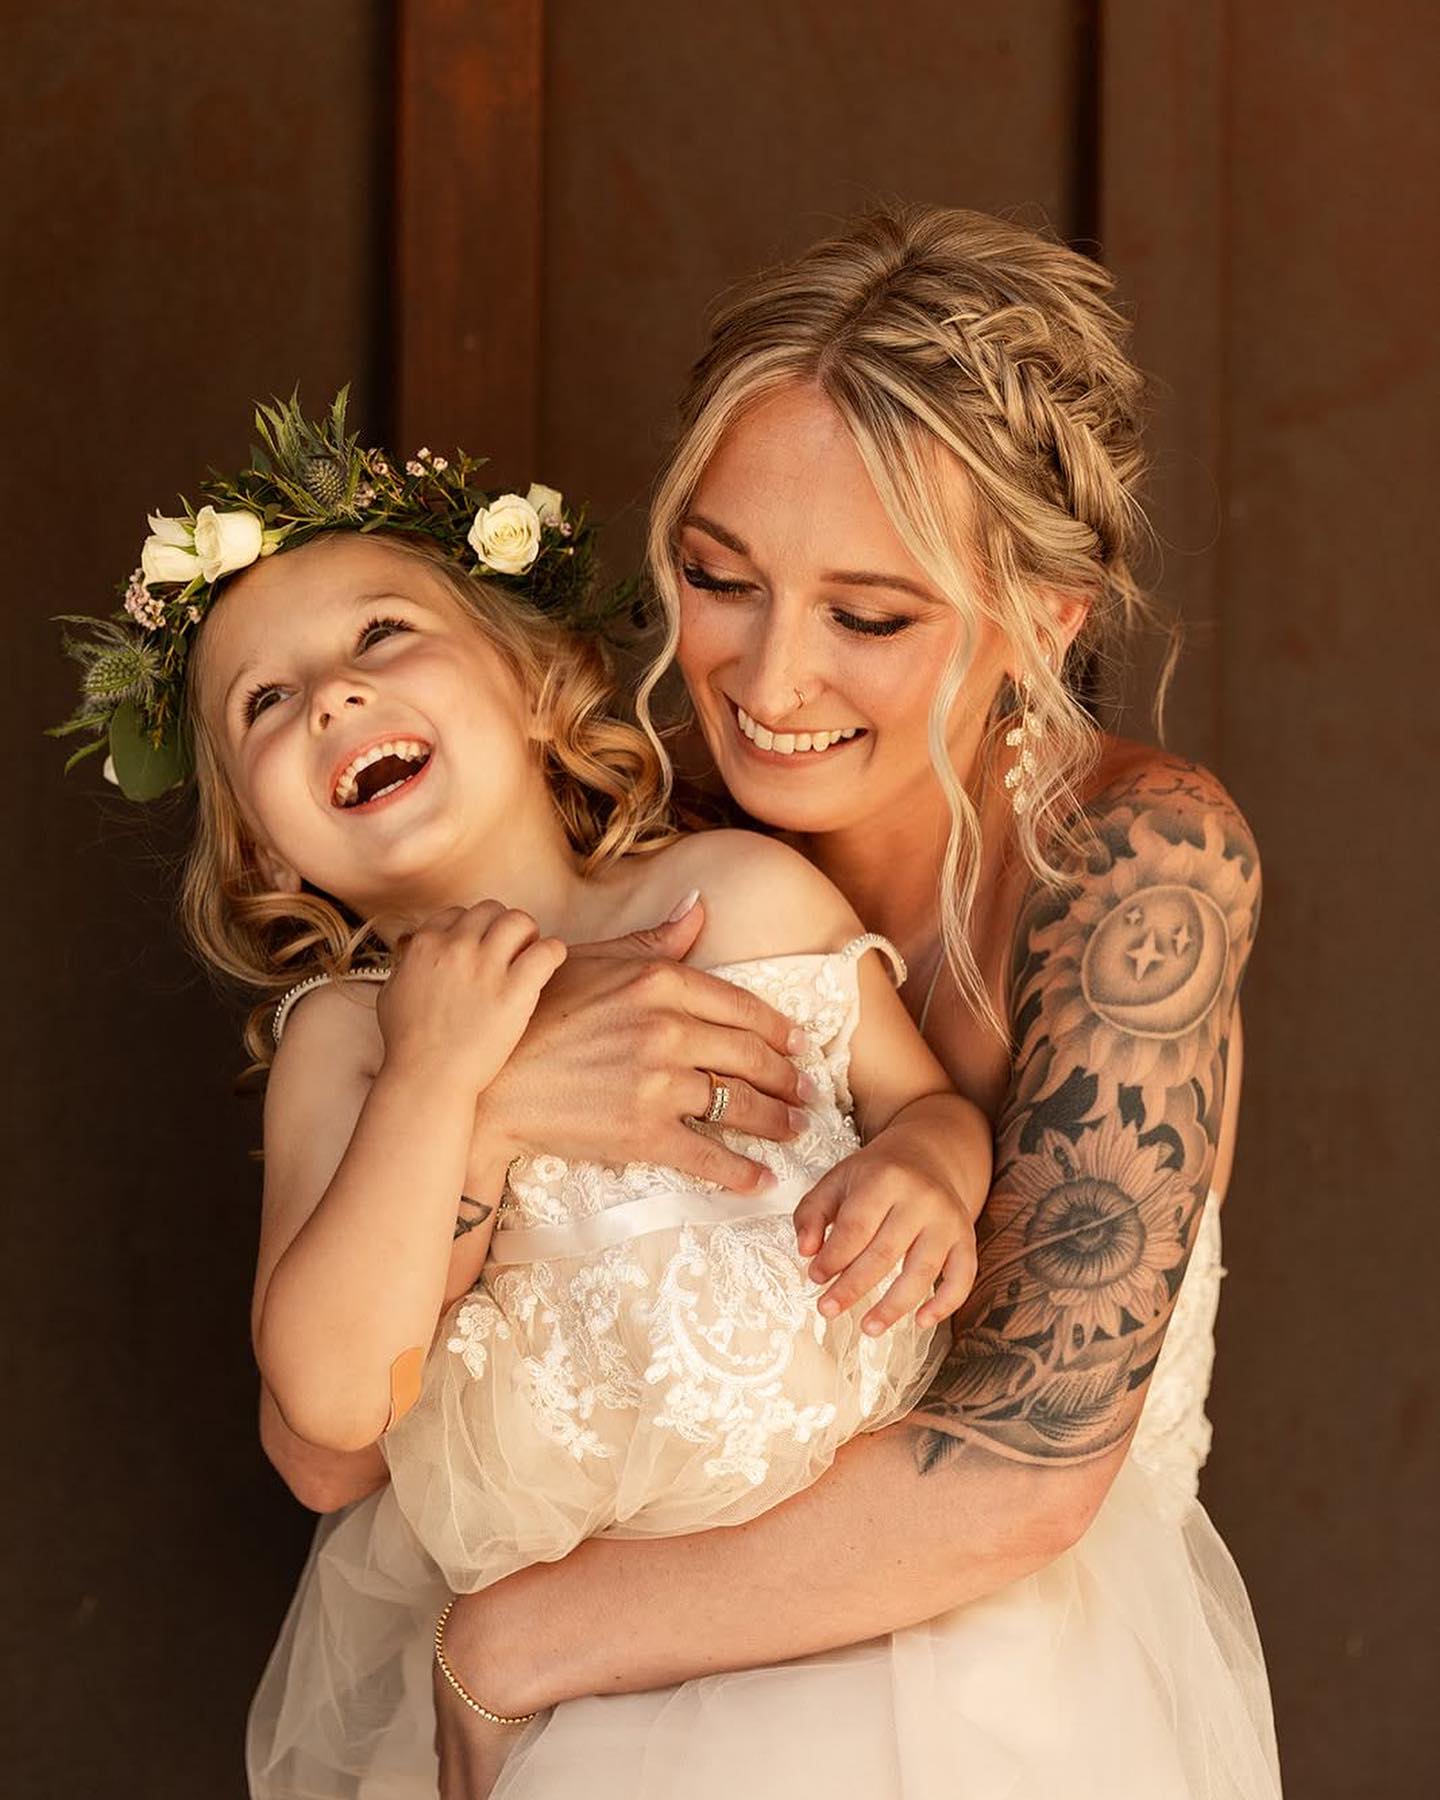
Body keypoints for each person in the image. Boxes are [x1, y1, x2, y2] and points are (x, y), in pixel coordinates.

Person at [409, 206, 1282, 1798]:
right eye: (717, 576)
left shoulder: (1136, 870)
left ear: (1049, 618)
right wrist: (486, 1106)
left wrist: (517, 1646)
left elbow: (1018, 1472)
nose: (767, 679)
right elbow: (354, 1381)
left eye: (869, 617)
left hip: (1004, 1707)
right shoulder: (628, 844)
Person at [52, 394, 994, 1797]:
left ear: (532, 680)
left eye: (380, 634)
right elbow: (325, 1404)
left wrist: (930, 1173)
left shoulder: (730, 898)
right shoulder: (352, 1047)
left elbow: (930, 1112)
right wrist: (446, 1086)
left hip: (863, 1640)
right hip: (571, 1726)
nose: (334, 697)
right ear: (261, 847)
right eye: (267, 702)